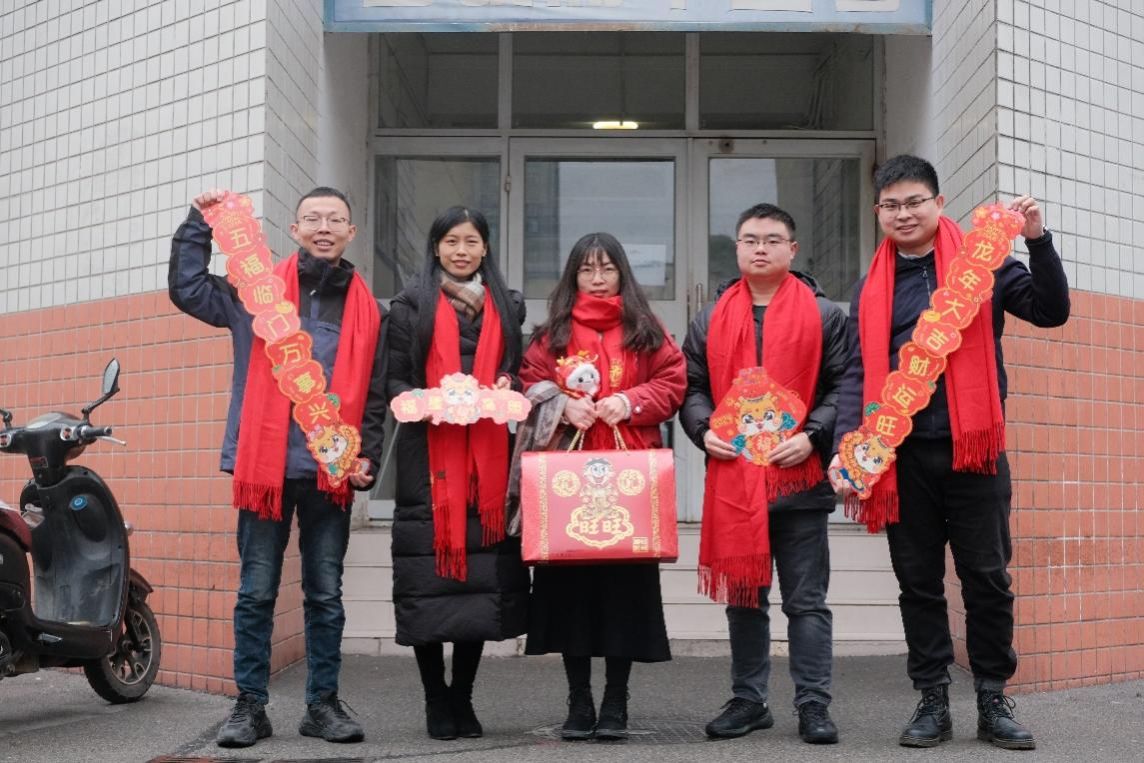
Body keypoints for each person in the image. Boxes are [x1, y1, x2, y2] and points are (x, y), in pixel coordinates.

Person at [828, 155, 1070, 750]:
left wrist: (1037, 241)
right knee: (918, 583)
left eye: (914, 202)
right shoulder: (871, 287)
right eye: (891, 205)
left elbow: (1051, 311)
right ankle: (932, 699)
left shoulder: (982, 264)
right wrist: (846, 449)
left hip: (973, 453)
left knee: (986, 577)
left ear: (938, 203)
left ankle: (992, 697)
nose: (903, 214)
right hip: (901, 459)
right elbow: (857, 373)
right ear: (879, 212)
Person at [169, 187, 387, 748]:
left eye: (335, 219)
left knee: (325, 595)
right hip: (265, 469)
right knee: (257, 592)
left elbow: (376, 395)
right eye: (313, 218)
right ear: (294, 229)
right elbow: (188, 288)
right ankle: (249, 706)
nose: (324, 227)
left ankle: (322, 705)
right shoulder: (255, 295)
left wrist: (368, 456)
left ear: (351, 232)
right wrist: (199, 222)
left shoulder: (371, 311)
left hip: (330, 473)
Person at [680, 203, 847, 745]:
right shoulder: (711, 317)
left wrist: (813, 435)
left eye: (772, 240)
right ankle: (749, 701)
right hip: (736, 483)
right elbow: (691, 385)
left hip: (800, 481)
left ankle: (813, 703)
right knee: (744, 602)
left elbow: (844, 385)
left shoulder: (824, 315)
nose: (760, 248)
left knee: (806, 602)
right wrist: (702, 428)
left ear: (791, 250)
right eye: (750, 239)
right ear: (737, 248)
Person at [519, 232, 686, 741]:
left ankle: (616, 703)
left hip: (628, 480)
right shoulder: (552, 334)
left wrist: (629, 401)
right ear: (573, 276)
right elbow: (527, 384)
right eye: (587, 269)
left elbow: (673, 381)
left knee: (622, 596)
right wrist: (561, 405)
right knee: (570, 594)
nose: (597, 278)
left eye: (607, 268)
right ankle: (579, 701)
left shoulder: (645, 329)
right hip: (566, 482)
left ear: (621, 274)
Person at [385, 206, 530, 741]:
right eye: (451, 241)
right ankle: (435, 698)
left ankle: (463, 697)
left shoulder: (508, 305)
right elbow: (394, 381)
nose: (461, 250)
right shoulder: (409, 305)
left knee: (479, 585)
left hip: (489, 466)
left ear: (485, 248)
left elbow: (519, 373)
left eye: (471, 241)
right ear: (436, 247)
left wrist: (506, 386)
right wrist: (427, 402)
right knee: (427, 585)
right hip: (428, 463)